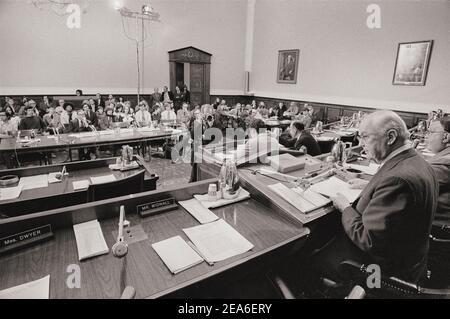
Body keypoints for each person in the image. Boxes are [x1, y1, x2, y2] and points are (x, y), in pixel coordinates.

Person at [328, 110, 438, 283]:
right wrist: (371, 185)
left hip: (381, 270)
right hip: (411, 258)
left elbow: (369, 240)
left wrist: (345, 207)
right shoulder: (417, 161)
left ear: (391, 137)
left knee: (303, 258)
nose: (360, 143)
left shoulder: (398, 180)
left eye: (365, 137)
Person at [426, 116, 450, 227]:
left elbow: (407, 189)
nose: (426, 136)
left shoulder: (443, 164)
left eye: (430, 132)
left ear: (446, 137)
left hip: (435, 230)